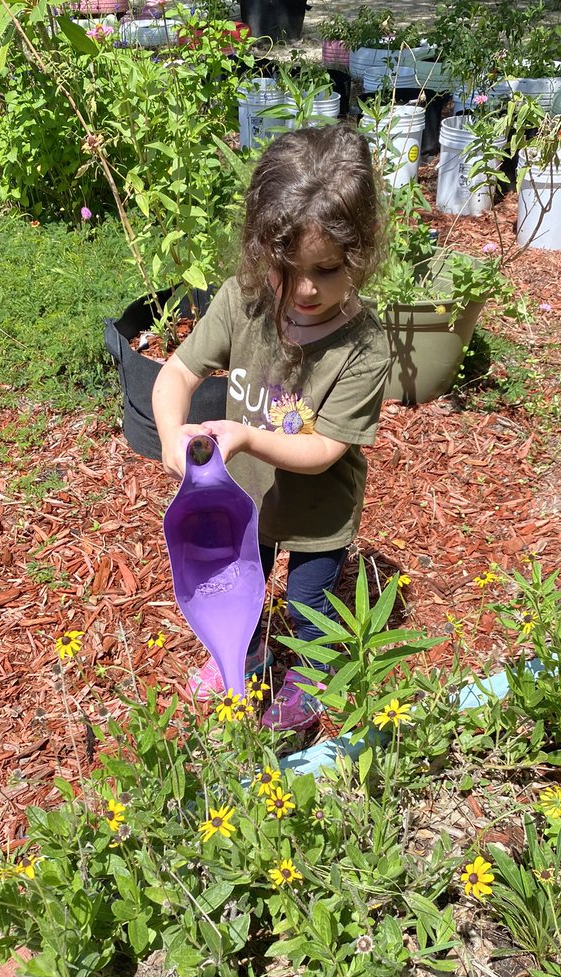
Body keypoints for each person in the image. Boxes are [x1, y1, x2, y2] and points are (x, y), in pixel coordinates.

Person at [152, 122, 390, 734]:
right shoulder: (243, 302)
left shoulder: (364, 348)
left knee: (311, 607)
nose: (307, 288)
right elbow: (176, 373)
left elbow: (325, 449)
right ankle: (245, 655)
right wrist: (173, 440)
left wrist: (249, 437)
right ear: (262, 251)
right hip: (244, 502)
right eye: (289, 267)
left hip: (317, 515)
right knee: (242, 591)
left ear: (359, 254)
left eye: (329, 269)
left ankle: (307, 681)